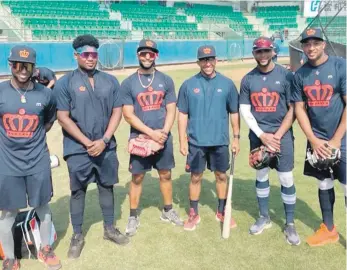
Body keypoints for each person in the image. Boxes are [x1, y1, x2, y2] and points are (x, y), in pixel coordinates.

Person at [54, 34, 129, 259]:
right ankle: (77, 235)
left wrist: (104, 140)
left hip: (105, 146)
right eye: (85, 54)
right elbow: (63, 117)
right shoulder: (65, 83)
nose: (90, 58)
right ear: (76, 55)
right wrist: (88, 143)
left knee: (107, 186)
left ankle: (109, 228)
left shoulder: (110, 81)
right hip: (78, 149)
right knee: (78, 191)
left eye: (94, 54)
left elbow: (118, 111)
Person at [0, 45, 61, 270]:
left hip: (37, 161)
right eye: (18, 64)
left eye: (27, 65)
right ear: (11, 65)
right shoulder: (1, 91)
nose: (22, 69)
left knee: (42, 206)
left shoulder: (45, 94)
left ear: (34, 67)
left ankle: (45, 249)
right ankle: (10, 258)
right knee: (7, 213)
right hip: (7, 163)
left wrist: (32, 140)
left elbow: (48, 121)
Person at [239, 37, 300, 245]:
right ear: (254, 53)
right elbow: (245, 111)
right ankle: (264, 216)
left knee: (286, 178)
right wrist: (262, 135)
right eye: (259, 51)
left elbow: (294, 108)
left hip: (282, 136)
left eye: (266, 51)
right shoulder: (248, 79)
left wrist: (277, 136)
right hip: (258, 136)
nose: (263, 55)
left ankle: (290, 223)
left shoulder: (287, 76)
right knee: (262, 174)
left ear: (273, 52)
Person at [121, 39, 183, 237]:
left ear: (156, 56)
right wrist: (151, 134)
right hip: (140, 138)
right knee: (137, 177)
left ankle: (167, 210)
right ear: (138, 55)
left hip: (163, 137)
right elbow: (128, 115)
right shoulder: (129, 83)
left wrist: (163, 133)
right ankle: (133, 216)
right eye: (143, 53)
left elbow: (171, 109)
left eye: (151, 53)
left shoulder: (166, 80)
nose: (147, 57)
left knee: (165, 174)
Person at [291, 28, 346, 247]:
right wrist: (313, 140)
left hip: (341, 137)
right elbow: (299, 109)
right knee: (324, 182)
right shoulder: (300, 74)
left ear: (323, 44)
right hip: (317, 139)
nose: (310, 48)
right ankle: (329, 229)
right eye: (306, 44)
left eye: (315, 43)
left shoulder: (340, 66)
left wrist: (335, 140)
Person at [177, 45, 240, 231]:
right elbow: (182, 115)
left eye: (210, 59)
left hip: (220, 141)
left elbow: (234, 113)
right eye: (203, 60)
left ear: (216, 60)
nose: (207, 63)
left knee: (221, 175)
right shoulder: (188, 85)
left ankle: (221, 210)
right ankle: (193, 213)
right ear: (198, 62)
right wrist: (182, 140)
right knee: (196, 177)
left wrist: (236, 137)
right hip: (196, 142)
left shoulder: (227, 84)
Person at [32, 67, 60, 168]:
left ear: (37, 71)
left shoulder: (45, 71)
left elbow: (53, 81)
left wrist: (46, 89)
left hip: (53, 89)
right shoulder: (34, 76)